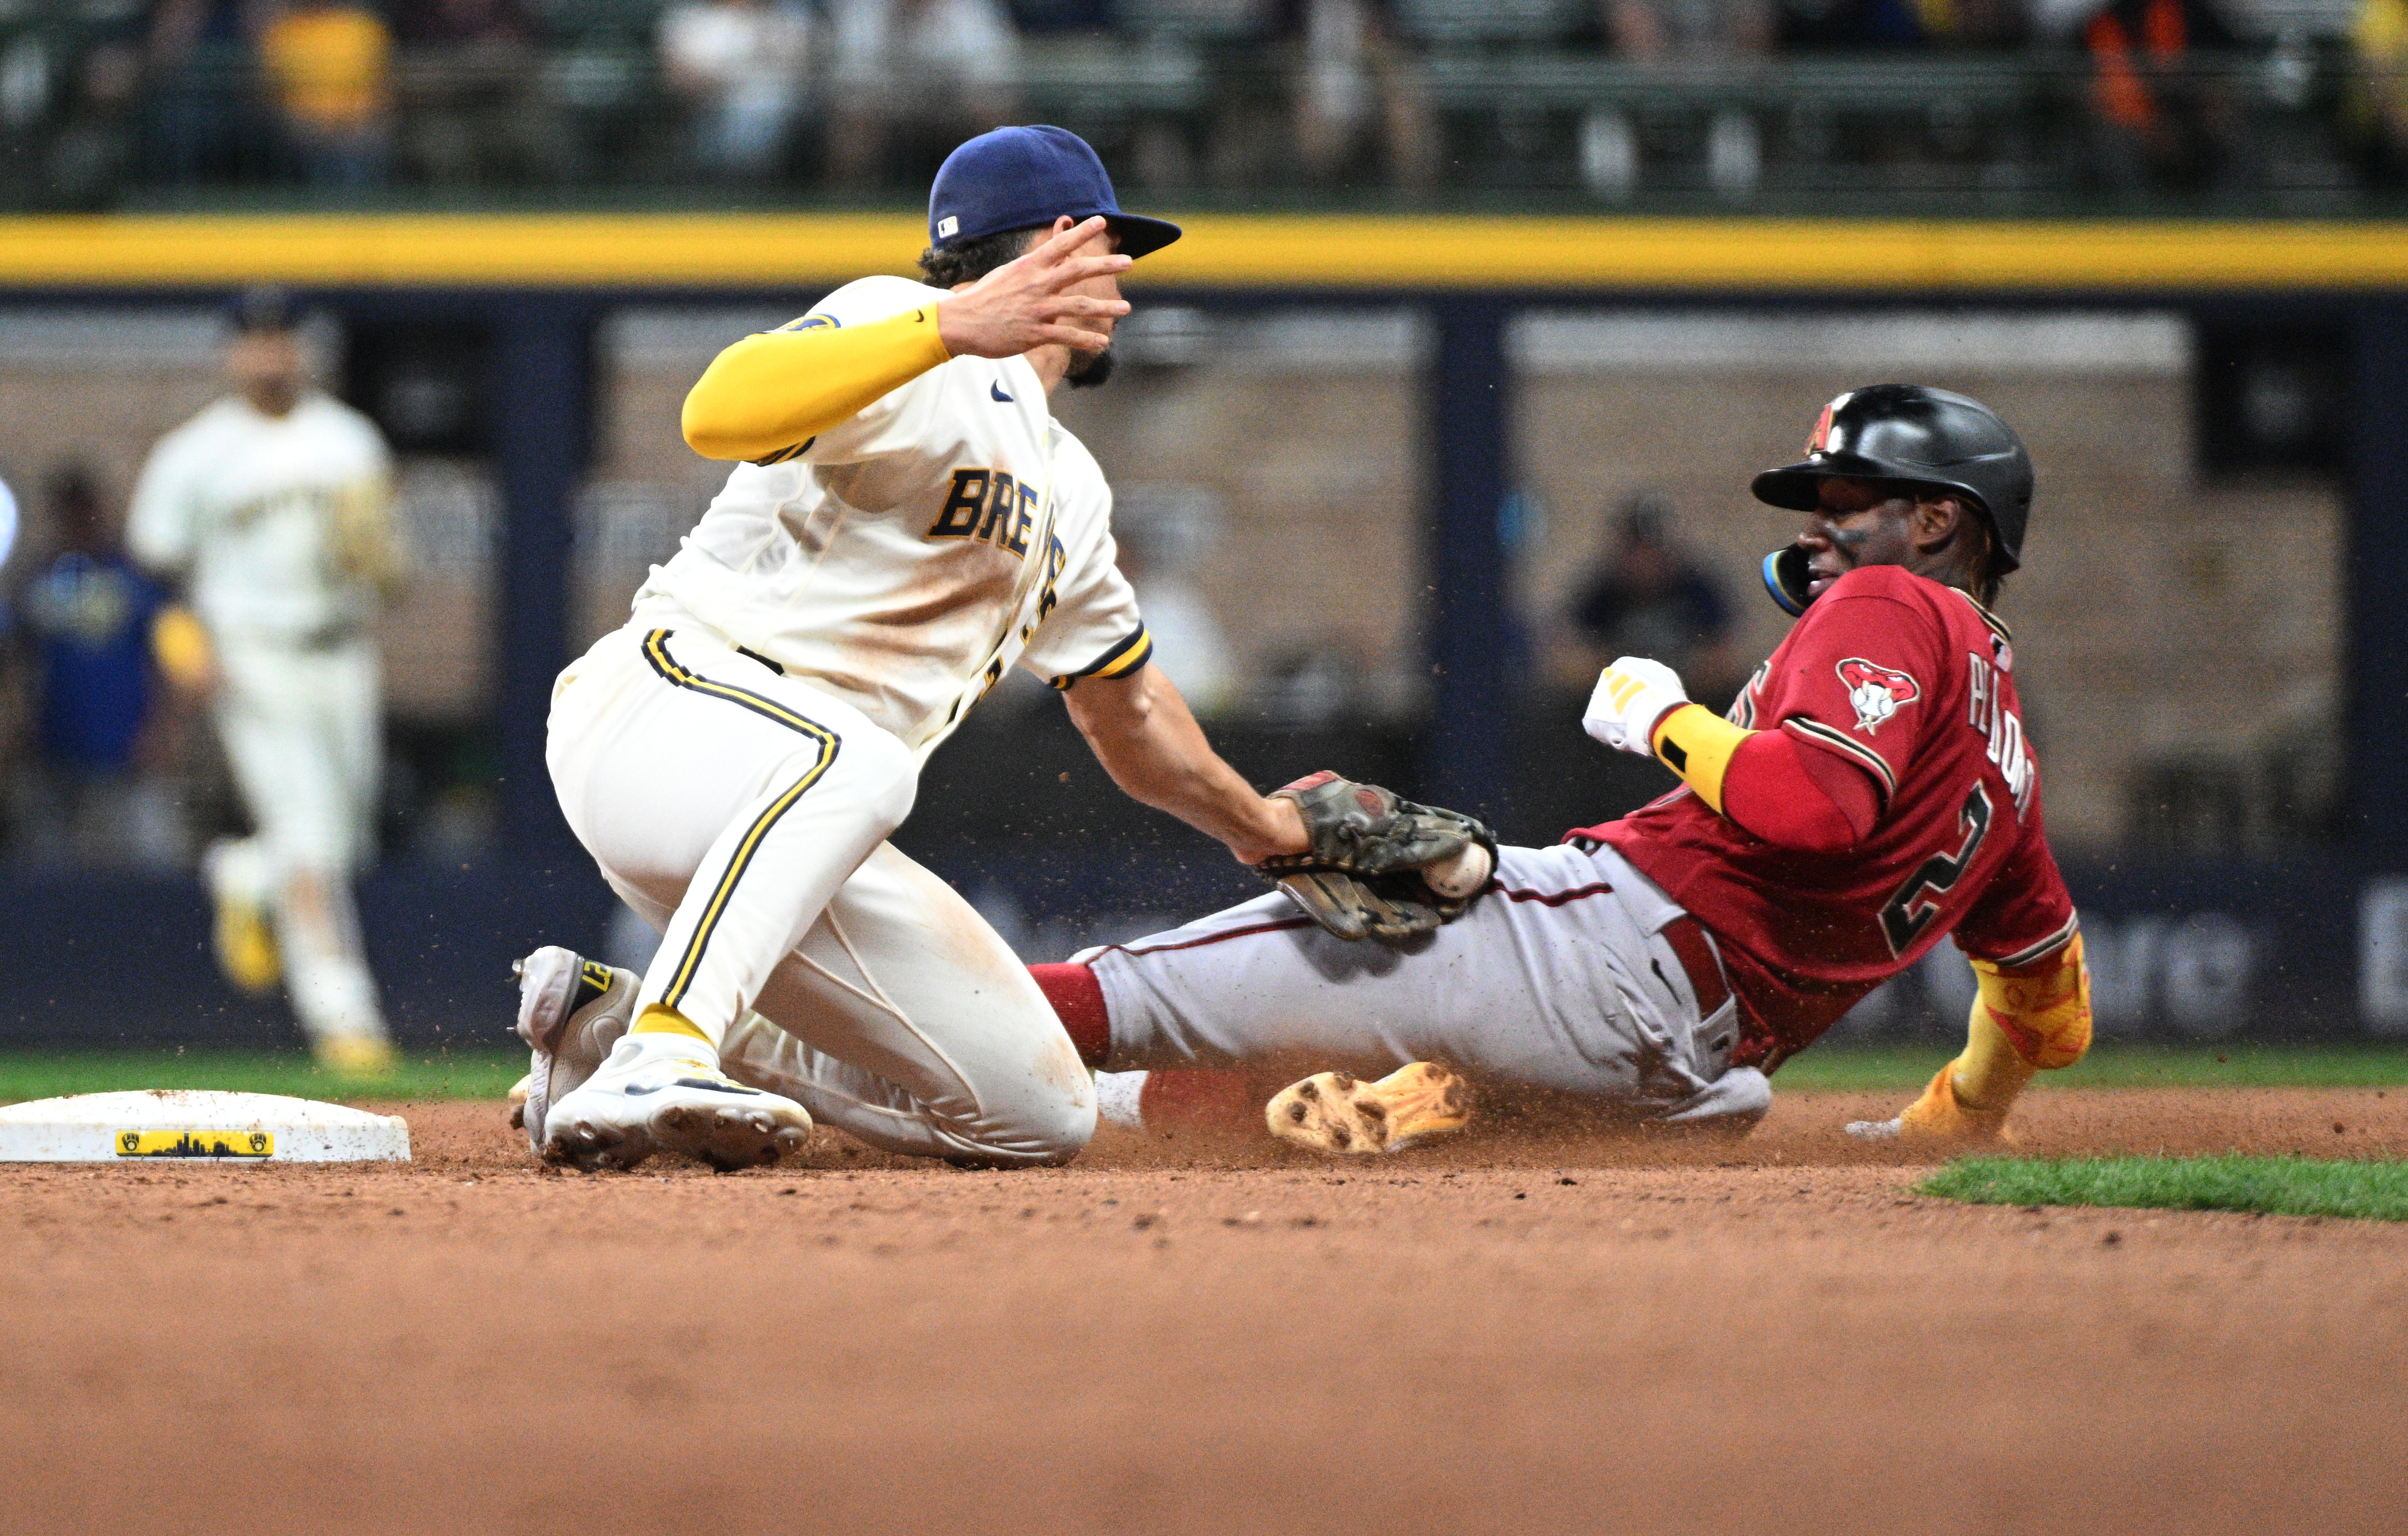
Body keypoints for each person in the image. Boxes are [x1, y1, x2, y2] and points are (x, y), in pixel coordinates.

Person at [514, 125, 1338, 1173]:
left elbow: (1125, 714)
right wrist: (949, 323)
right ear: (1049, 243)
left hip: (799, 827)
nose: (1124, 276)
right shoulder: (897, 328)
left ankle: (612, 1024)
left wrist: (1269, 830)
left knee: (1039, 1117)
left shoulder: (1072, 484)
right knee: (856, 756)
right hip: (667, 719)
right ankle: (661, 1056)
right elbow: (715, 412)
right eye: (1105, 244)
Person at [1038, 384, 2094, 1152]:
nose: (1817, 524)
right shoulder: (2012, 772)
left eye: (1847, 495)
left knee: (1129, 994)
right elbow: (2050, 1007)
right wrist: (1955, 1120)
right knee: (1344, 1083)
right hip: (1686, 1077)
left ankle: (894, 1040)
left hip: (1598, 950)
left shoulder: (1886, 599)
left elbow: (1811, 808)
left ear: (1938, 518)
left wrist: (1661, 717)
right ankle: (1416, 1102)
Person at [128, 287, 408, 1074]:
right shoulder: (195, 451)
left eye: (281, 338)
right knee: (311, 836)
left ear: (303, 348)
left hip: (343, 649)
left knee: (343, 837)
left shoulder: (350, 440)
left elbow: (387, 570)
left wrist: (384, 563)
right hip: (251, 652)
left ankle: (244, 872)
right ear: (231, 353)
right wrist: (187, 650)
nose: (269, 354)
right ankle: (346, 1019)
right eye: (254, 340)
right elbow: (157, 569)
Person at [13, 464, 177, 867]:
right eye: (68, 511)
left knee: (144, 869)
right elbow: (15, 659)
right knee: (51, 870)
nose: (78, 521)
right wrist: (16, 723)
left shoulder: (137, 581)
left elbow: (173, 664)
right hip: (54, 750)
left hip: (127, 751)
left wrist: (163, 732)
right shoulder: (39, 580)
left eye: (84, 509)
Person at [1564, 490, 1740, 710]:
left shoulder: (1697, 590)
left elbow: (1719, 659)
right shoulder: (1602, 594)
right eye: (1636, 554)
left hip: (1689, 703)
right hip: (1622, 706)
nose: (1644, 563)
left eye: (1651, 552)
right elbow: (1576, 662)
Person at [658, 0, 814, 179]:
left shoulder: (789, 19)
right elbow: (676, 81)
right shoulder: (689, 19)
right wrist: (722, 80)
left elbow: (808, 74)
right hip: (710, 113)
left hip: (786, 115)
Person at [257, 0, 396, 187]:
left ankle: (364, 206)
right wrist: (313, 118)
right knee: (303, 144)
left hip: (358, 122)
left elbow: (382, 83)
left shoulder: (362, 26)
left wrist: (349, 116)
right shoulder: (285, 30)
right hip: (304, 123)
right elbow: (274, 89)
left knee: (363, 140)